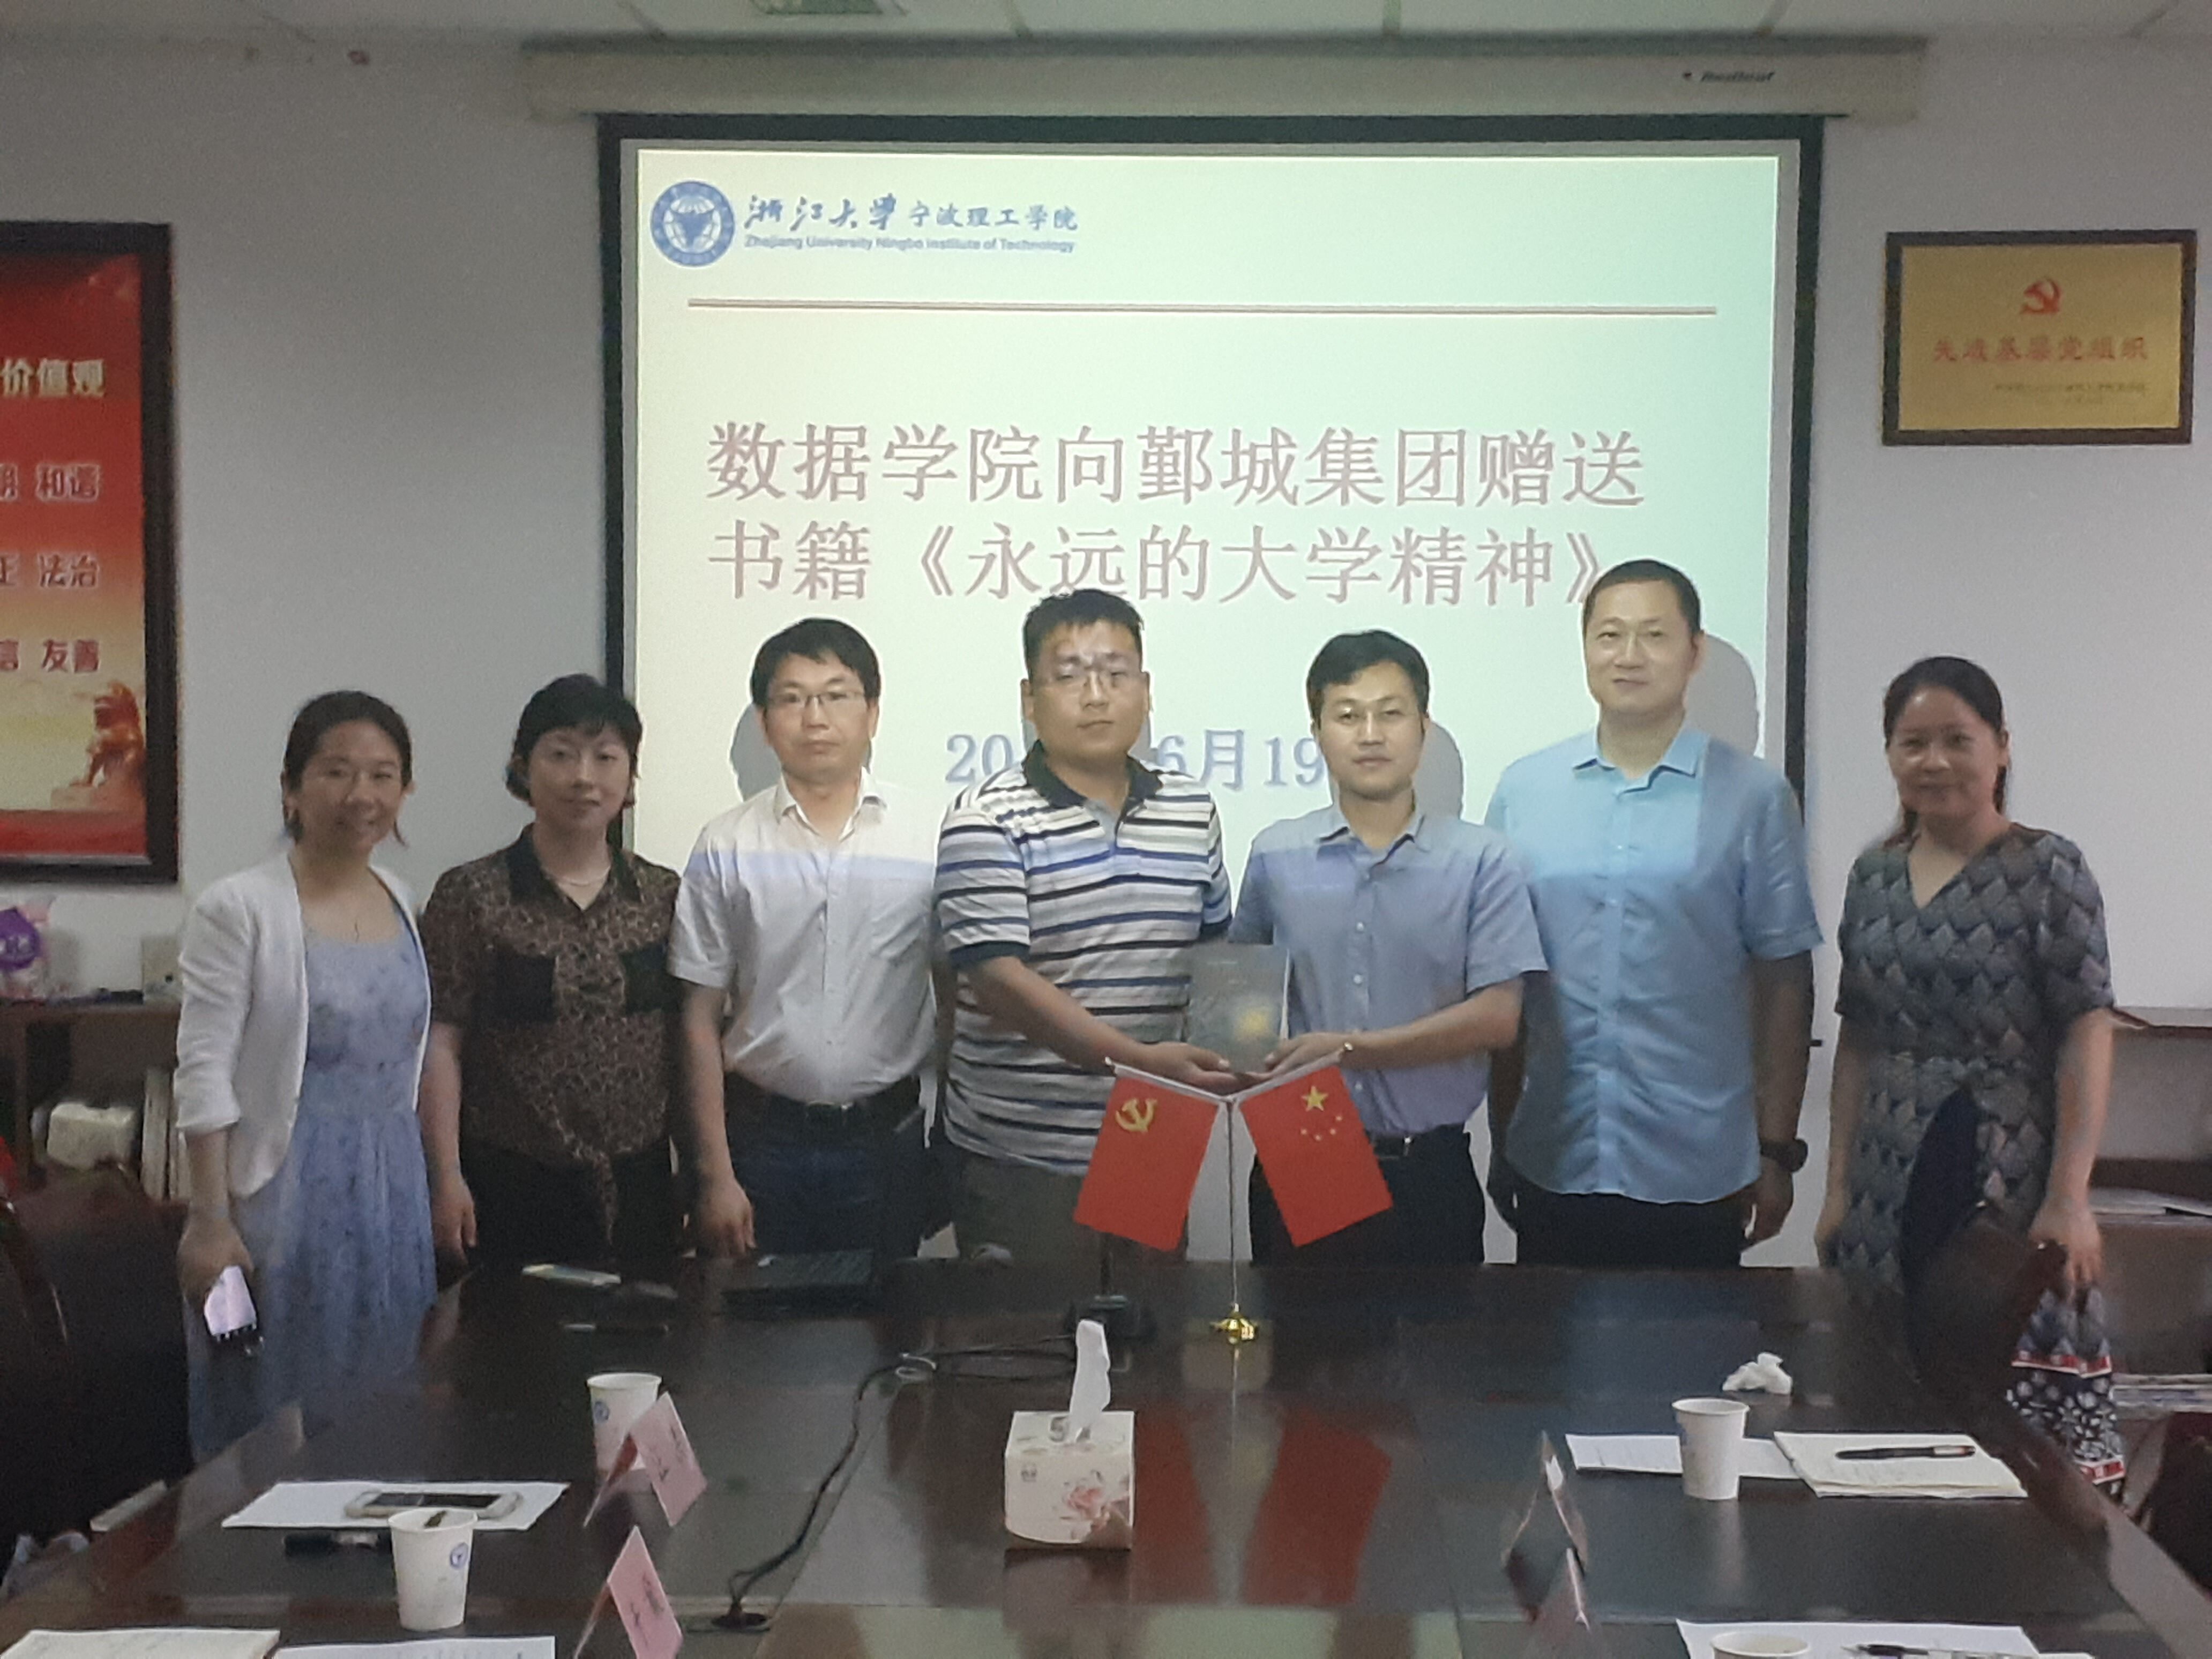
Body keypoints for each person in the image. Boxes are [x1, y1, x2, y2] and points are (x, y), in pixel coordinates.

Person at [1817, 656, 2124, 1487]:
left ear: (2002, 747)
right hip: (1888, 1163)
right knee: (1882, 1391)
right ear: (1890, 754)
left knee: (1997, 1400)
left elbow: (2087, 1029)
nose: (1935, 761)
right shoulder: (1875, 874)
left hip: (2003, 1163)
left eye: (1958, 740)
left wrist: (2070, 1195)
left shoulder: (2048, 869)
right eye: (1913, 743)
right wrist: (1838, 1187)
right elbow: (1858, 1036)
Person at [1485, 559, 1820, 1268]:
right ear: (1585, 648)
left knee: (1691, 1344)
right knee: (1543, 1341)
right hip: (1554, 1152)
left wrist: (1776, 1150)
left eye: (1654, 635)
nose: (1629, 655)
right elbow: (1506, 979)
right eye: (1609, 635)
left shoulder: (1754, 797)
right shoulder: (1524, 790)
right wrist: (1502, 1132)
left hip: (1698, 1163)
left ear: (1694, 652)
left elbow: (1785, 981)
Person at [935, 588, 1235, 1266]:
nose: (1096, 695)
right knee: (1031, 1329)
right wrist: (1139, 1062)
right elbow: (999, 982)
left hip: (1152, 1139)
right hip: (1025, 1155)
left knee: (1150, 1326)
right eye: (1069, 675)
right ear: (1029, 698)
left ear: (1146, 690)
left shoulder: (1192, 810)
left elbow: (1215, 955)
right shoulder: (986, 817)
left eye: (1115, 673)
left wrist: (1237, 1050)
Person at [1228, 631, 1546, 1266]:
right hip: (1305, 1152)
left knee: (1438, 1333)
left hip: (1429, 1171)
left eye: (1390, 713)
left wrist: (1348, 1048)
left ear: (1423, 728)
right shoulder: (1275, 854)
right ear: (1318, 733)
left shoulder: (1483, 860)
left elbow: (1498, 1019)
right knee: (1296, 1330)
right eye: (1348, 715)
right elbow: (1239, 1005)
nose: (1370, 734)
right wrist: (1233, 1052)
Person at [174, 691, 436, 1458]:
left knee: (386, 1402)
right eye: (336, 772)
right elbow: (204, 1070)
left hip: (391, 1190)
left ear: (405, 791)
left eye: (383, 775)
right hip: (281, 1192)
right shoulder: (239, 907)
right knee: (271, 1402)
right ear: (291, 788)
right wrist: (210, 1219)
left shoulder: (400, 897)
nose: (362, 795)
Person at [671, 619, 939, 1258]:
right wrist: (714, 1176)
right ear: (765, 724)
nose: (815, 718)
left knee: (888, 1317)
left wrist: (946, 1140)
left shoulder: (931, 835)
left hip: (888, 1141)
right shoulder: (726, 843)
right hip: (760, 1143)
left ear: (873, 714)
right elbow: (697, 1019)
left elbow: (957, 997)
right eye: (792, 698)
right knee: (752, 1318)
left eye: (836, 695)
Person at [416, 675, 682, 1271]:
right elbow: (442, 1040)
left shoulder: (662, 895)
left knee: (647, 1330)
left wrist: (702, 1171)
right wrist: (445, 1176)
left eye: (606, 757)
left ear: (630, 777)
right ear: (522, 767)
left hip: (639, 1184)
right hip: (509, 1181)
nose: (584, 777)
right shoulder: (472, 894)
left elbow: (684, 1041)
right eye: (561, 754)